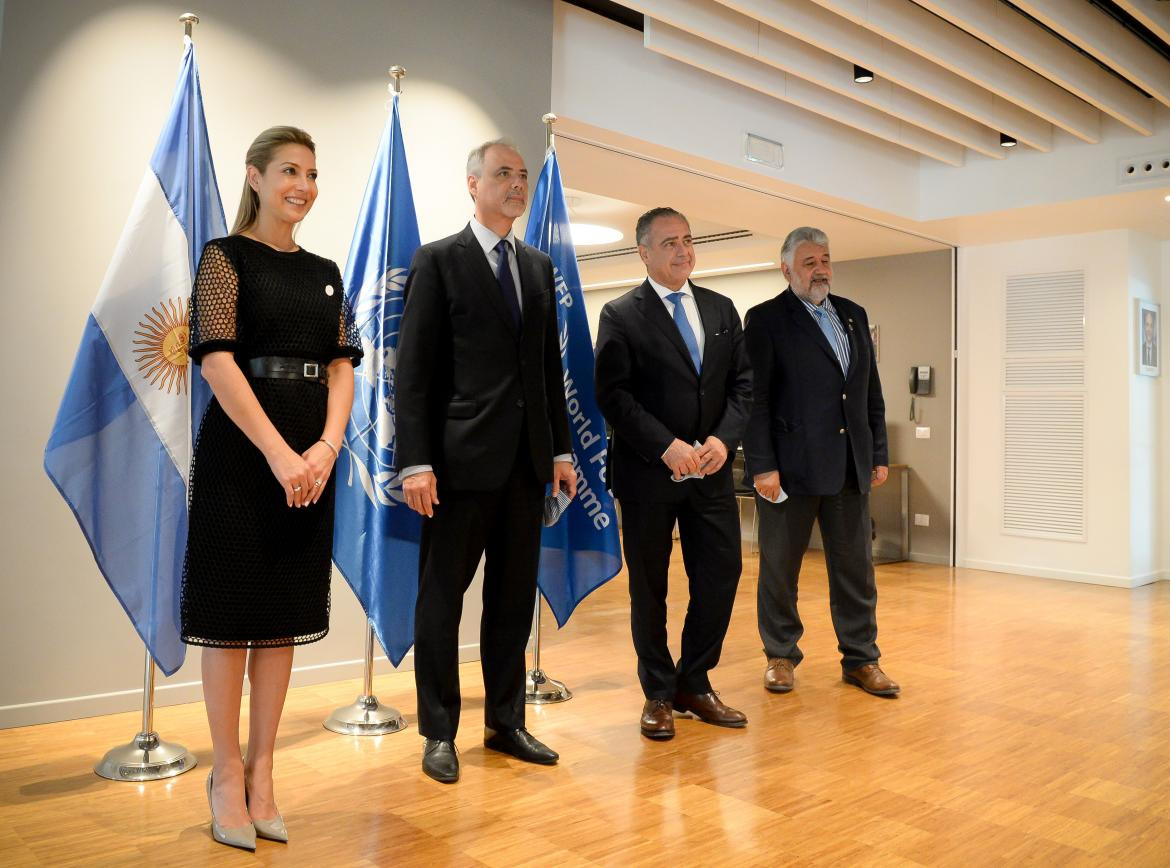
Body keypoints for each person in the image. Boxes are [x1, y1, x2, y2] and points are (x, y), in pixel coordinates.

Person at [182, 126, 360, 849]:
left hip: (312, 460)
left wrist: (324, 446)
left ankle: (264, 773)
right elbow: (217, 360)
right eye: (290, 170)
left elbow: (343, 363)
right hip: (241, 456)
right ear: (255, 177)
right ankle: (225, 772)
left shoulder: (325, 269)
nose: (304, 185)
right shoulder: (225, 258)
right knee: (230, 617)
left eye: (313, 173)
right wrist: (280, 453)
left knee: (281, 616)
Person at [395, 139, 575, 784]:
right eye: (503, 174)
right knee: (441, 600)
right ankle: (439, 730)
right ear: (472, 185)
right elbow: (412, 372)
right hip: (457, 466)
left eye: (522, 176)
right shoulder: (439, 260)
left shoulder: (536, 266)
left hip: (526, 468)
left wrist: (559, 447)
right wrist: (415, 461)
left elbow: (546, 369)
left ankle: (506, 721)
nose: (516, 184)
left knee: (510, 601)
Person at [594, 207, 752, 740]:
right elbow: (612, 394)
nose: (683, 250)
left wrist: (720, 440)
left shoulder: (722, 309)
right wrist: (665, 446)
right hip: (648, 476)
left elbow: (743, 386)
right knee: (651, 588)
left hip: (709, 473)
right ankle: (658, 693)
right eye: (669, 243)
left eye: (687, 240)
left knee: (721, 575)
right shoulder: (620, 314)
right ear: (643, 252)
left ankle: (695, 681)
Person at [742, 226, 898, 698]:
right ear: (786, 268)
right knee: (779, 569)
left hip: (849, 466)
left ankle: (861, 659)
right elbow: (757, 400)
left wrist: (877, 453)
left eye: (825, 259)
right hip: (789, 468)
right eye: (809, 262)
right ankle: (781, 656)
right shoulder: (766, 319)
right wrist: (762, 466)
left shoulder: (853, 315)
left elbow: (869, 391)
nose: (821, 269)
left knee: (855, 570)